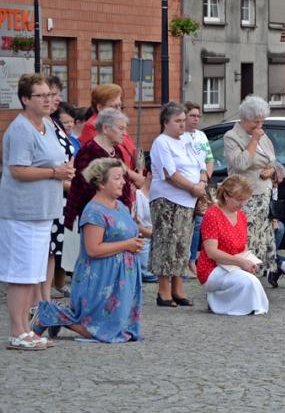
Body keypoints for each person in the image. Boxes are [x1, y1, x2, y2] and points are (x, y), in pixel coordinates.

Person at [1, 73, 74, 350]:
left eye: (50, 95)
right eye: (40, 95)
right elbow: (18, 170)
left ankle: (27, 329)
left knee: (33, 273)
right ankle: (17, 331)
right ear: (25, 99)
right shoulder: (21, 129)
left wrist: (63, 172)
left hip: (44, 210)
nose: (47, 99)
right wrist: (55, 173)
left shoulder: (48, 124)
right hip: (22, 212)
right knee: (21, 275)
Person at [33, 158, 143, 342]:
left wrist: (138, 241)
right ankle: (50, 313)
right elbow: (93, 249)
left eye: (123, 177)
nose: (123, 182)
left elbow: (127, 232)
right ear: (101, 183)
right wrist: (127, 245)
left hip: (122, 277)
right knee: (99, 331)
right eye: (117, 178)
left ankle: (56, 315)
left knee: (119, 330)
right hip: (100, 277)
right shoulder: (93, 211)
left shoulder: (122, 207)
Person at [63, 108, 141, 273]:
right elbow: (86, 189)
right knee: (99, 264)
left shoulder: (116, 150)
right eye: (121, 128)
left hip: (117, 213)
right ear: (106, 128)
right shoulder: (89, 151)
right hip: (98, 218)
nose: (125, 133)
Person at [149, 102, 206, 307]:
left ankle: (178, 288)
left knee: (183, 244)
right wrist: (193, 187)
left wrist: (202, 183)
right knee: (167, 243)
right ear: (166, 122)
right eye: (178, 121)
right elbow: (169, 173)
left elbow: (202, 165)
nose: (182, 124)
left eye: (183, 120)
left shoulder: (187, 140)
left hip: (188, 201)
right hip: (167, 200)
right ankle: (163, 291)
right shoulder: (161, 142)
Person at [223, 96, 280, 278]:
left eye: (262, 121)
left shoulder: (264, 137)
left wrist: (272, 170)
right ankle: (244, 275)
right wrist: (253, 140)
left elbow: (274, 161)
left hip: (264, 196)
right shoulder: (232, 137)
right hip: (246, 197)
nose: (259, 126)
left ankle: (257, 276)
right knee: (248, 238)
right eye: (256, 121)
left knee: (262, 239)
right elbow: (240, 164)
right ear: (244, 119)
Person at [197, 175, 269, 315]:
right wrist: (240, 262)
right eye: (239, 199)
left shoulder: (241, 215)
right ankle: (217, 301)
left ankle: (238, 304)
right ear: (226, 196)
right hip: (212, 269)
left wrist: (248, 261)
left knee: (252, 280)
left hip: (233, 266)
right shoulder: (212, 215)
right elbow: (212, 252)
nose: (242, 203)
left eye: (245, 199)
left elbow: (243, 246)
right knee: (247, 281)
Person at [42, 88, 76, 303]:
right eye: (51, 94)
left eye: (57, 94)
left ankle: (45, 298)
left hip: (62, 196)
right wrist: (64, 181)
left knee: (54, 249)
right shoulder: (38, 127)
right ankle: (39, 299)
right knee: (46, 250)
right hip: (50, 193)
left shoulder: (54, 125)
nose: (56, 98)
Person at [182, 102, 215, 277]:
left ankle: (192, 259)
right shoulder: (180, 136)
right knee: (186, 224)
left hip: (202, 186)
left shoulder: (201, 135)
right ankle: (184, 260)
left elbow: (209, 159)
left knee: (199, 224)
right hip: (186, 186)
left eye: (198, 116)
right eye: (192, 116)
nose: (196, 119)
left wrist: (205, 180)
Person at [78, 84, 138, 171]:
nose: (118, 110)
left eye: (120, 106)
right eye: (114, 106)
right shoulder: (92, 126)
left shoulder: (118, 123)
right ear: (99, 107)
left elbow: (133, 150)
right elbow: (108, 162)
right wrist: (138, 177)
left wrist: (141, 171)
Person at [135, 155, 157, 283]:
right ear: (149, 174)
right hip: (146, 239)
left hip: (156, 239)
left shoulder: (158, 195)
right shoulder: (138, 195)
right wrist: (156, 235)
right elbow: (137, 226)